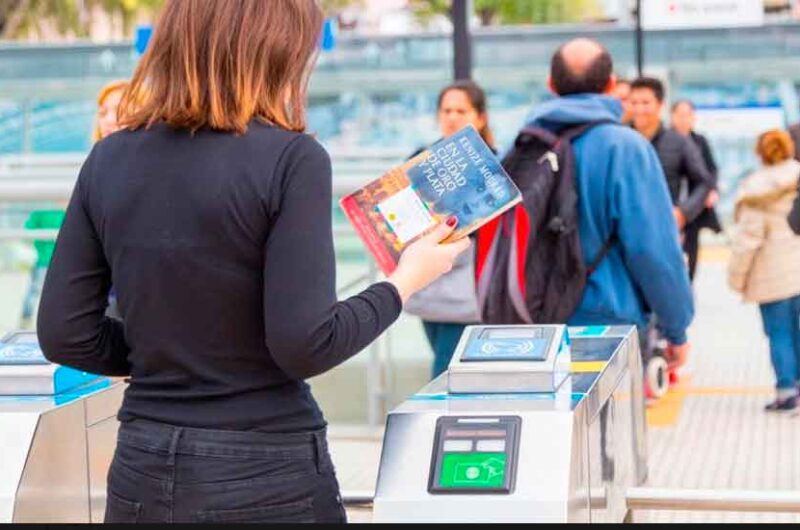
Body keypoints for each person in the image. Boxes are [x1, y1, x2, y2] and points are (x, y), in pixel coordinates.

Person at [36, 0, 468, 524]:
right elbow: (306, 343)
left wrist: (167, 353)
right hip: (264, 470)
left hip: (141, 465)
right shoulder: (292, 160)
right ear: (276, 53)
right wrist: (404, 282)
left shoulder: (109, 157)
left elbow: (64, 331)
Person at [523, 39, 694, 367]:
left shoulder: (523, 145)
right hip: (607, 324)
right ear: (612, 85)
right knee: (611, 417)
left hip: (531, 322)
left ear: (551, 84)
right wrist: (677, 329)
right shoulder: (626, 148)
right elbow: (654, 251)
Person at [19, 80, 129, 329]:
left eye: (120, 110)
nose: (109, 120)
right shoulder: (97, 169)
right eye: (103, 112)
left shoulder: (147, 172)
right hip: (103, 298)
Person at [404, 80, 494, 378]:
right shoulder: (420, 159)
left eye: (461, 110)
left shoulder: (494, 165)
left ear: (480, 118)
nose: (452, 117)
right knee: (447, 366)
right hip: (429, 282)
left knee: (446, 374)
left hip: (469, 285)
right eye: (446, 110)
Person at [728, 129, 800, 412]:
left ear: (759, 152)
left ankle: (786, 392)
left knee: (779, 332)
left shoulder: (755, 187)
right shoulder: (798, 175)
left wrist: (736, 277)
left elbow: (748, 240)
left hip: (772, 275)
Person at [630, 78, 714, 234]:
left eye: (645, 103)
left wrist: (683, 213)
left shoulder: (677, 141)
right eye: (633, 103)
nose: (638, 109)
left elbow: (704, 181)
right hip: (622, 229)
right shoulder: (619, 140)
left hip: (662, 228)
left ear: (660, 105)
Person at [670, 99, 723, 281]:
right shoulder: (665, 141)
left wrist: (711, 190)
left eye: (688, 115)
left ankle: (688, 283)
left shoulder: (700, 141)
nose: (684, 119)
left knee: (692, 247)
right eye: (680, 115)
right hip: (671, 205)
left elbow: (711, 170)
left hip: (694, 206)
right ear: (672, 117)